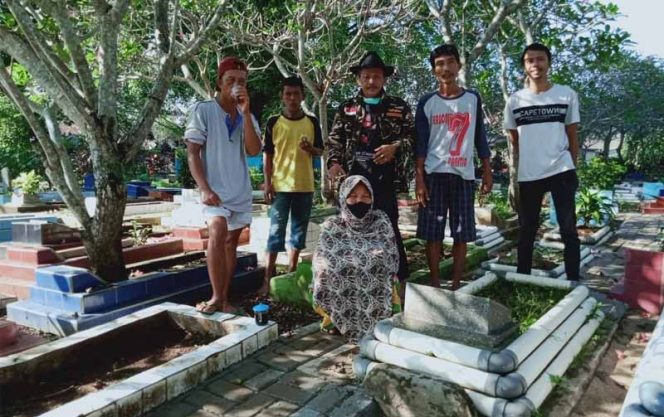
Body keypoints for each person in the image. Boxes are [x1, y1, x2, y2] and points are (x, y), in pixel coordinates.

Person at [327, 51, 415, 283]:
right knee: (352, 227)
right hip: (353, 180)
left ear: (384, 79)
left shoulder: (399, 107)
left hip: (385, 179)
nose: (371, 81)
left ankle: (397, 279)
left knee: (388, 227)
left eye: (376, 76)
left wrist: (394, 147)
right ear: (358, 79)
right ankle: (354, 277)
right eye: (366, 76)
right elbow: (334, 141)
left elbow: (413, 138)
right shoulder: (346, 108)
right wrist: (334, 163)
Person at [184, 56, 262, 313]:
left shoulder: (247, 114)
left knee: (231, 243)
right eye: (231, 80)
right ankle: (217, 297)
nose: (236, 85)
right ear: (220, 82)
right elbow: (193, 152)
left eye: (241, 81)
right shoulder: (203, 110)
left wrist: (247, 112)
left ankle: (225, 298)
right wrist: (204, 188)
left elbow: (253, 150)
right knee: (217, 233)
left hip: (239, 190)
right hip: (214, 192)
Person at [415, 44, 492, 290]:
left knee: (462, 232)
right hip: (434, 175)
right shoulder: (427, 102)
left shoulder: (472, 99)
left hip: (463, 175)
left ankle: (457, 283)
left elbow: (480, 135)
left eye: (450, 62)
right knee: (432, 232)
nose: (445, 68)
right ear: (434, 70)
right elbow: (420, 144)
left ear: (459, 65)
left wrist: (487, 169)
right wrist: (419, 179)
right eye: (439, 64)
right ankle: (436, 283)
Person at [504, 43, 581, 280]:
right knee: (527, 229)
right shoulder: (515, 101)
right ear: (524, 67)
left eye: (540, 59)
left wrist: (573, 168)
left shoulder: (566, 94)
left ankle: (573, 280)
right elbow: (514, 139)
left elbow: (572, 134)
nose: (535, 64)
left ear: (548, 62)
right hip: (529, 174)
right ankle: (523, 279)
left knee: (568, 228)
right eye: (530, 60)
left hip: (561, 169)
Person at [312, 175, 400, 341]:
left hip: (375, 273)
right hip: (341, 273)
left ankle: (381, 320)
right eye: (353, 196)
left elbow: (389, 252)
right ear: (343, 197)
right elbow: (322, 255)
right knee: (327, 272)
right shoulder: (333, 224)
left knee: (380, 270)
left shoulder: (380, 220)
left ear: (372, 199)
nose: (360, 201)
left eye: (366, 197)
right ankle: (335, 320)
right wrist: (350, 261)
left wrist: (365, 259)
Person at [260, 76, 324, 296]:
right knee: (275, 233)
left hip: (305, 187)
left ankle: (291, 274)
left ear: (303, 96)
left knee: (298, 234)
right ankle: (267, 280)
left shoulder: (312, 122)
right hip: (280, 187)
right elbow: (267, 156)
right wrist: (267, 183)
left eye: (296, 94)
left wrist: (310, 149)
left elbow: (321, 151)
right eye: (288, 94)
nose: (292, 98)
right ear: (282, 96)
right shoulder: (273, 122)